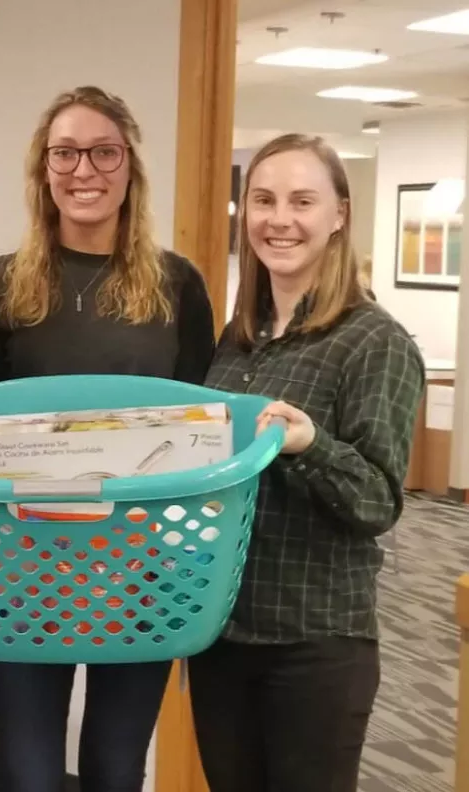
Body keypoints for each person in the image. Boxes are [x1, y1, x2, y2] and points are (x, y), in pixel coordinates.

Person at [0, 85, 215, 792]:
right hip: (25, 572)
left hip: (145, 572)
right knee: (30, 775)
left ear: (129, 166)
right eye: (66, 153)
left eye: (104, 152)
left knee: (114, 769)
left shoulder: (177, 285)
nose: (85, 170)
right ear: (42, 170)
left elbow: (205, 423)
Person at [190, 133, 424, 792]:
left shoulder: (373, 342)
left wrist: (310, 445)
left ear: (339, 215)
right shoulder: (235, 346)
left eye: (302, 200)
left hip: (314, 645)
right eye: (262, 200)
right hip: (223, 633)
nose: (279, 219)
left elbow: (378, 501)